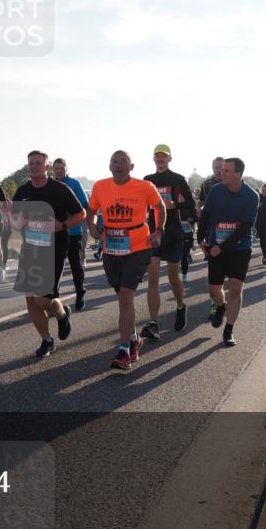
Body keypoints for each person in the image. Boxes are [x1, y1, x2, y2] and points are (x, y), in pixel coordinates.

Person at [87, 150, 165, 370]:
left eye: (123, 162)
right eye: (115, 162)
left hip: (139, 245)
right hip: (111, 247)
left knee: (125, 295)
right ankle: (133, 338)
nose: (118, 165)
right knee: (121, 297)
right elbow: (91, 210)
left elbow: (159, 207)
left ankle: (123, 351)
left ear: (131, 167)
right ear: (109, 166)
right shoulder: (100, 186)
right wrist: (92, 226)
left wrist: (158, 231)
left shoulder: (144, 187)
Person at [10, 150, 86, 358]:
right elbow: (16, 220)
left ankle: (62, 312)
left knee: (42, 299)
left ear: (47, 166)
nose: (33, 166)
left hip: (54, 249)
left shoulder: (60, 189)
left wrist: (61, 225)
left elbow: (81, 214)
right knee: (30, 299)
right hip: (30, 248)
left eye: (38, 163)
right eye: (30, 163)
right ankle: (47, 340)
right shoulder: (23, 191)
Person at [196, 157, 259, 347]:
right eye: (221, 169)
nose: (221, 173)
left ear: (238, 174)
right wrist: (200, 239)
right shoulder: (216, 191)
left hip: (239, 248)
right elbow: (206, 216)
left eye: (226, 171)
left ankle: (229, 330)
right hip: (215, 247)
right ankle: (221, 306)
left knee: (235, 287)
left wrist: (221, 247)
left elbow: (244, 228)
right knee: (214, 289)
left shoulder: (251, 196)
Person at [143, 144, 195, 337]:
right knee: (153, 279)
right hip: (153, 232)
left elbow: (190, 202)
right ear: (153, 159)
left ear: (169, 159)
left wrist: (174, 204)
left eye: (164, 157)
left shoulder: (177, 179)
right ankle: (153, 322)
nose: (160, 159)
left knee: (173, 277)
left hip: (173, 231)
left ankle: (181, 306)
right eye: (157, 156)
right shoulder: (148, 180)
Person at [53, 158, 90, 311]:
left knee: (75, 264)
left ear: (66, 169)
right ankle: (54, 298)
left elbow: (85, 205)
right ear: (52, 169)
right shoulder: (50, 185)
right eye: (56, 168)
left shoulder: (74, 184)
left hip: (73, 230)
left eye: (62, 168)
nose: (59, 170)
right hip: (55, 231)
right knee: (55, 266)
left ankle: (80, 291)